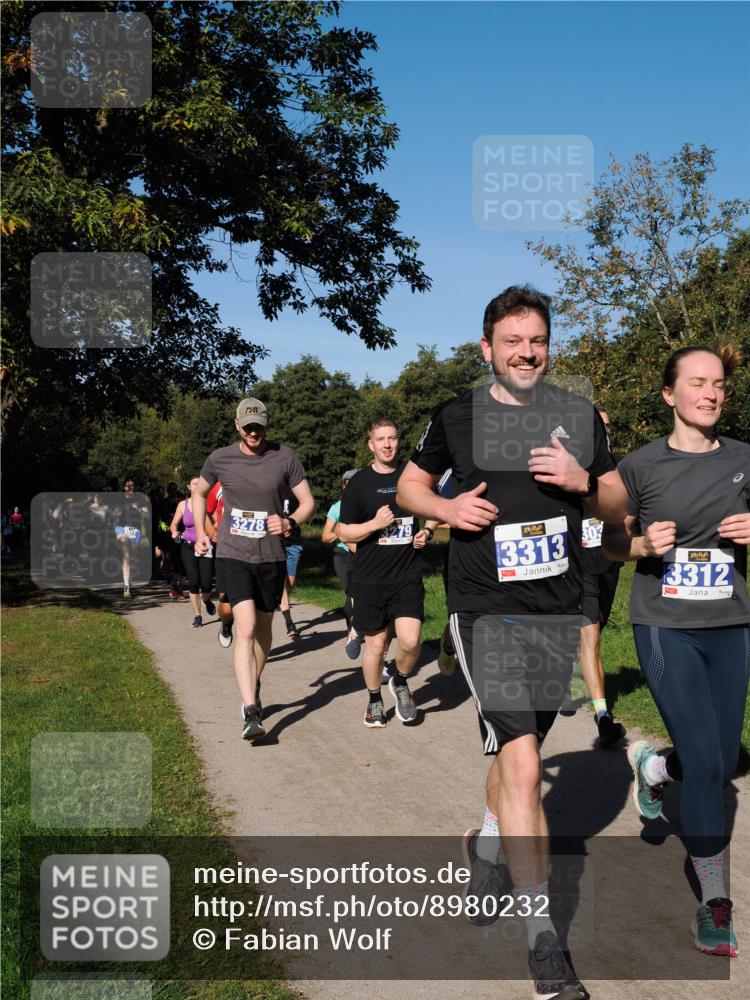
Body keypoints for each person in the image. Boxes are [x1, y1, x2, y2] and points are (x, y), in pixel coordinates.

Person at [397, 285, 628, 1000]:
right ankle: (543, 945)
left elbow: (617, 501)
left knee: (516, 746)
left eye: (538, 340)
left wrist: (584, 479)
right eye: (513, 341)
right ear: (487, 348)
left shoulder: (578, 415)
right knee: (525, 765)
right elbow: (409, 486)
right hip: (482, 606)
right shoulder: (456, 417)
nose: (527, 352)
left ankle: (488, 843)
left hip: (556, 609)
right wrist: (444, 505)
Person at [603, 345, 749, 958]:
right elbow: (605, 542)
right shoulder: (638, 468)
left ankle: (655, 769)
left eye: (718, 384)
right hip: (665, 624)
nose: (711, 393)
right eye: (698, 383)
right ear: (670, 394)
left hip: (732, 622)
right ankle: (714, 901)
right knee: (711, 766)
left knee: (717, 756)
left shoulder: (745, 458)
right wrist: (638, 547)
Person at [192, 397, 316, 741]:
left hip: (271, 557)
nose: (253, 431)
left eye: (258, 425)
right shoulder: (220, 458)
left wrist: (289, 522)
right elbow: (199, 494)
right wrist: (202, 533)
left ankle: (254, 681)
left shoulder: (285, 457)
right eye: (247, 426)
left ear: (266, 424)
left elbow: (308, 502)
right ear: (236, 426)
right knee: (244, 628)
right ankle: (251, 711)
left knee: (264, 629)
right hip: (233, 554)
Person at [337, 419, 433, 729]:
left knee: (411, 640)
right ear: (371, 445)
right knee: (375, 646)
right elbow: (344, 531)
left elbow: (435, 509)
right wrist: (374, 525)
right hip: (370, 579)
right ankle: (374, 699)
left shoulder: (412, 476)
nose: (387, 444)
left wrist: (427, 532)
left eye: (392, 438)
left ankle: (401, 681)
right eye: (381, 439)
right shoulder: (359, 483)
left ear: (398, 441)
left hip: (406, 575)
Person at [578, 409, 626, 748]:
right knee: (591, 637)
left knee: (594, 636)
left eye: (605, 428)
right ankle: (602, 717)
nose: (602, 433)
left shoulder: (619, 471)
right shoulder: (568, 471)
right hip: (578, 569)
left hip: (609, 565)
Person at [170, 477, 217, 628]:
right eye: (194, 484)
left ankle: (207, 599)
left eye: (199, 484)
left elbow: (217, 521)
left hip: (205, 546)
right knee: (194, 581)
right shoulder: (182, 505)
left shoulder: (207, 504)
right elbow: (174, 524)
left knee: (207, 584)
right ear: (189, 487)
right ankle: (197, 615)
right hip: (188, 546)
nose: (197, 486)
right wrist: (174, 532)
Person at [322, 470, 358, 638]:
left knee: (362, 592)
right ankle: (351, 630)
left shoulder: (367, 504)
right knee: (351, 591)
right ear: (344, 485)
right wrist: (340, 532)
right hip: (343, 555)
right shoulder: (336, 508)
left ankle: (361, 625)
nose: (351, 485)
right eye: (348, 482)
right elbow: (325, 536)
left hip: (363, 553)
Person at [206, 480, 234, 648]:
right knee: (227, 606)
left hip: (255, 550)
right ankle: (226, 625)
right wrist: (210, 531)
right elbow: (204, 510)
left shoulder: (261, 479)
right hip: (226, 548)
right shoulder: (219, 486)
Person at [111, 479, 150, 598]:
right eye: (128, 486)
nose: (130, 488)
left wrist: (138, 509)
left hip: (135, 530)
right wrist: (117, 512)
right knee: (126, 554)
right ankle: (126, 587)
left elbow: (147, 515)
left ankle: (129, 580)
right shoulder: (120, 499)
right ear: (124, 487)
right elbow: (113, 514)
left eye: (132, 486)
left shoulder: (140, 500)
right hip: (122, 528)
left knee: (132, 557)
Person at [279, 489, 303, 639]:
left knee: (291, 582)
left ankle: (280, 600)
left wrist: (291, 524)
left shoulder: (297, 491)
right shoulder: (271, 489)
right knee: (282, 584)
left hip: (293, 543)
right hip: (276, 542)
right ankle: (290, 623)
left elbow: (305, 512)